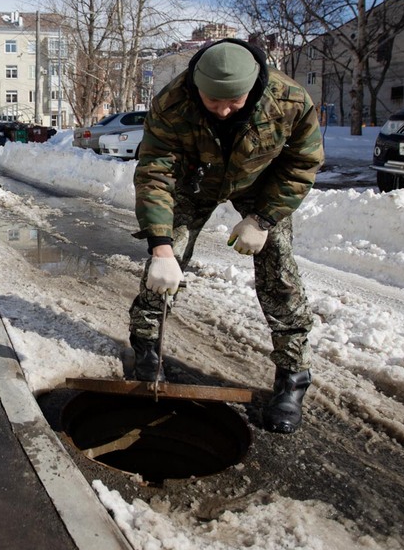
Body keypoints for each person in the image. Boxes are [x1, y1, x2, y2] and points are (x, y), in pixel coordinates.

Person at [128, 38, 324, 433]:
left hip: (259, 184)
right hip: (193, 181)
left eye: (233, 101)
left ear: (253, 87)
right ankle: (147, 344)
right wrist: (161, 247)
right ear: (197, 85)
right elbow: (155, 173)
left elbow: (302, 163)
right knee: (167, 260)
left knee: (279, 268)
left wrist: (263, 219)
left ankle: (293, 374)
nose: (222, 110)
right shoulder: (172, 103)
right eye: (213, 100)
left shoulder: (290, 100)